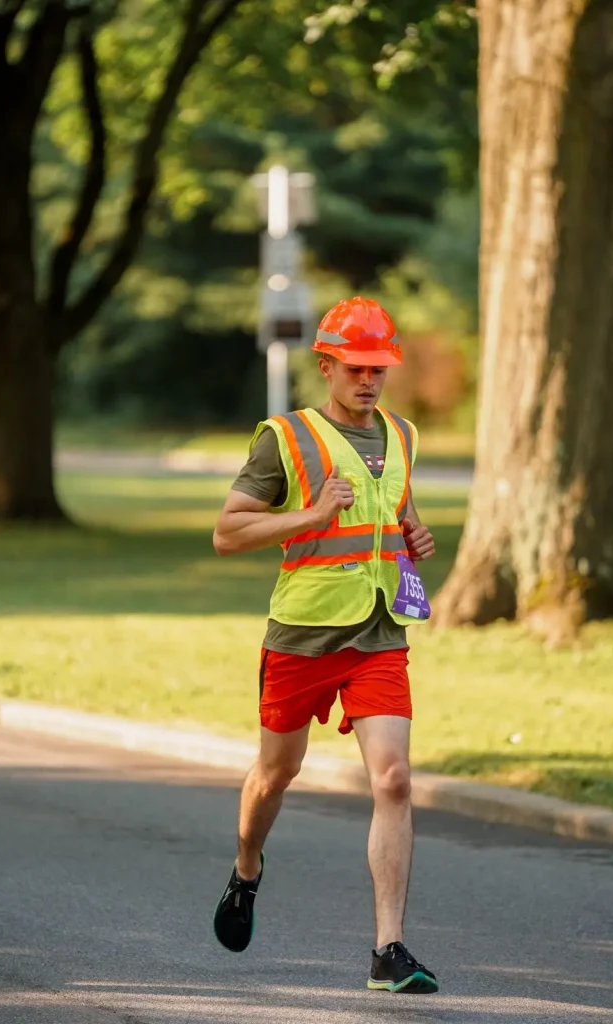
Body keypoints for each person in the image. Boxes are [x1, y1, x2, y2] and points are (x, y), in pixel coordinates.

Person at [211, 296, 438, 995]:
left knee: (395, 779)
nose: (370, 380)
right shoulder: (286, 437)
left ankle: (388, 949)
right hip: (303, 635)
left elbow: (397, 507)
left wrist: (414, 536)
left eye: (380, 368)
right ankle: (248, 867)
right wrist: (307, 513)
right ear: (327, 365)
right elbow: (227, 532)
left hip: (377, 635)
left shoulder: (401, 435)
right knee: (275, 775)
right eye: (357, 368)